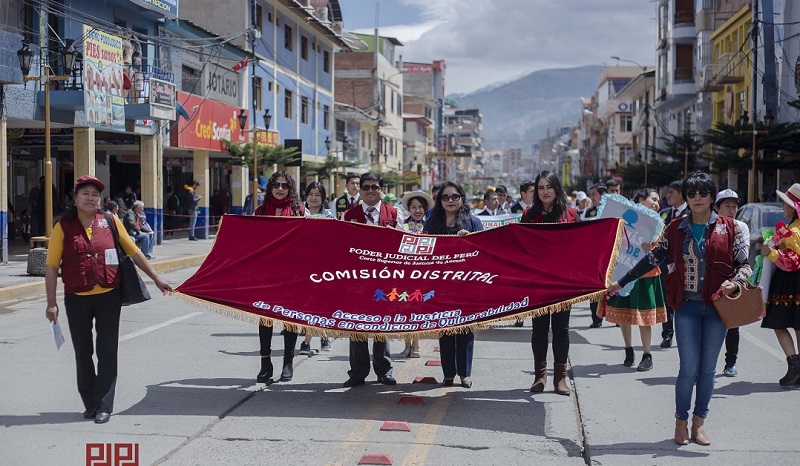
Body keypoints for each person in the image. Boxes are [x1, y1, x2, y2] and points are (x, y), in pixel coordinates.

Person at [607, 171, 751, 446]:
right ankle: (680, 423)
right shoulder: (674, 228)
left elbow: (744, 265)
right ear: (686, 198)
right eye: (692, 193)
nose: (697, 198)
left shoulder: (730, 228)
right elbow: (651, 259)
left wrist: (736, 282)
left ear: (711, 196)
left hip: (717, 308)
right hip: (685, 307)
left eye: (703, 193)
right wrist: (621, 281)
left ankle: (699, 423)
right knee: (688, 368)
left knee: (708, 369)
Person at [45, 175, 172, 424]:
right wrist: (51, 302)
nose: (91, 198)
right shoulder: (63, 226)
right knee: (83, 352)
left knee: (107, 351)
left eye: (95, 194)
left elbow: (134, 251)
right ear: (76, 197)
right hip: (76, 297)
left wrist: (156, 278)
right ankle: (90, 403)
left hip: (108, 296)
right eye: (86, 193)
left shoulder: (111, 220)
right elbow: (51, 266)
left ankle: (104, 405)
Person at [522, 170, 580, 396]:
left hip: (563, 283)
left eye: (549, 187)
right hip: (537, 282)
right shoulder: (529, 214)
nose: (545, 192)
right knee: (539, 330)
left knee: (561, 330)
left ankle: (560, 378)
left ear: (557, 188)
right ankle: (540, 376)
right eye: (540, 188)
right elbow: (522, 246)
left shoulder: (572, 213)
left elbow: (582, 247)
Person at [423, 181, 483, 387]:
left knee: (465, 331)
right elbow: (424, 253)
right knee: (446, 330)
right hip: (440, 286)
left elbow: (483, 253)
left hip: (466, 285)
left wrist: (471, 240)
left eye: (454, 197)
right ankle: (448, 374)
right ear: (440, 201)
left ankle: (465, 374)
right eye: (445, 197)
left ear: (462, 199)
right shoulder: (431, 224)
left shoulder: (473, 223)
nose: (450, 201)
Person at [342, 172, 398, 387]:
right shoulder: (349, 215)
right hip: (358, 279)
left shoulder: (394, 213)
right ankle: (357, 372)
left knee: (381, 325)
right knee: (357, 325)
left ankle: (384, 370)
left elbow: (403, 245)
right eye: (366, 187)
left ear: (381, 189)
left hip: (384, 279)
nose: (370, 191)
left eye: (375, 187)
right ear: (360, 190)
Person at [603, 188, 667, 371]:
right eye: (653, 199)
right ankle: (628, 349)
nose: (656, 204)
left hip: (646, 275)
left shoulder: (658, 224)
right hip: (623, 272)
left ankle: (647, 355)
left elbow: (663, 251)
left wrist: (651, 250)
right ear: (640, 199)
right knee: (624, 314)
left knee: (644, 317)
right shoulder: (622, 215)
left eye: (658, 201)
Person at [254, 171, 305, 383]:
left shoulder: (298, 210)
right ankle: (265, 363)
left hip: (291, 274)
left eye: (285, 185)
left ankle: (287, 363)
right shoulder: (259, 212)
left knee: (289, 319)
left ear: (290, 188)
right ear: (271, 187)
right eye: (276, 184)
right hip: (266, 274)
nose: (280, 188)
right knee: (265, 318)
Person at [761, 183, 800, 386]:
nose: (782, 207)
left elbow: (793, 262)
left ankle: (794, 365)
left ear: (793, 207)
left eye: (785, 203)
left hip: (791, 281)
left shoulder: (794, 231)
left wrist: (772, 253)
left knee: (778, 322)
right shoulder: (792, 228)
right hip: (793, 281)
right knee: (798, 324)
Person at [714, 189, 749, 377]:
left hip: (731, 282)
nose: (732, 209)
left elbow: (742, 259)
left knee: (732, 325)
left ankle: (730, 363)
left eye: (734, 206)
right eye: (727, 205)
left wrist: (736, 281)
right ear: (717, 207)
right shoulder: (709, 226)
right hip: (710, 283)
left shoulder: (740, 227)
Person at [398, 190, 434, 358]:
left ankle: (416, 346)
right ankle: (406, 346)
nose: (417, 210)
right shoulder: (402, 225)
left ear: (425, 208)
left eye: (420, 207)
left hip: (423, 276)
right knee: (405, 310)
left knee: (417, 312)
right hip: (405, 275)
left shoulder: (432, 226)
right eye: (413, 207)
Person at [298, 181, 333, 355]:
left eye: (318, 195)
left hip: (322, 268)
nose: (314, 198)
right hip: (302, 267)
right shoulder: (298, 214)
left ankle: (306, 342)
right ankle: (324, 334)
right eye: (311, 194)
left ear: (323, 198)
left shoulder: (330, 217)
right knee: (307, 304)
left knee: (316, 303)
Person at [658, 180, 689, 348]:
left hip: (685, 265)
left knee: (685, 301)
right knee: (667, 299)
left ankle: (685, 335)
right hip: (666, 264)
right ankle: (667, 334)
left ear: (681, 195)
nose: (667, 196)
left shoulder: (691, 213)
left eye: (671, 192)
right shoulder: (664, 213)